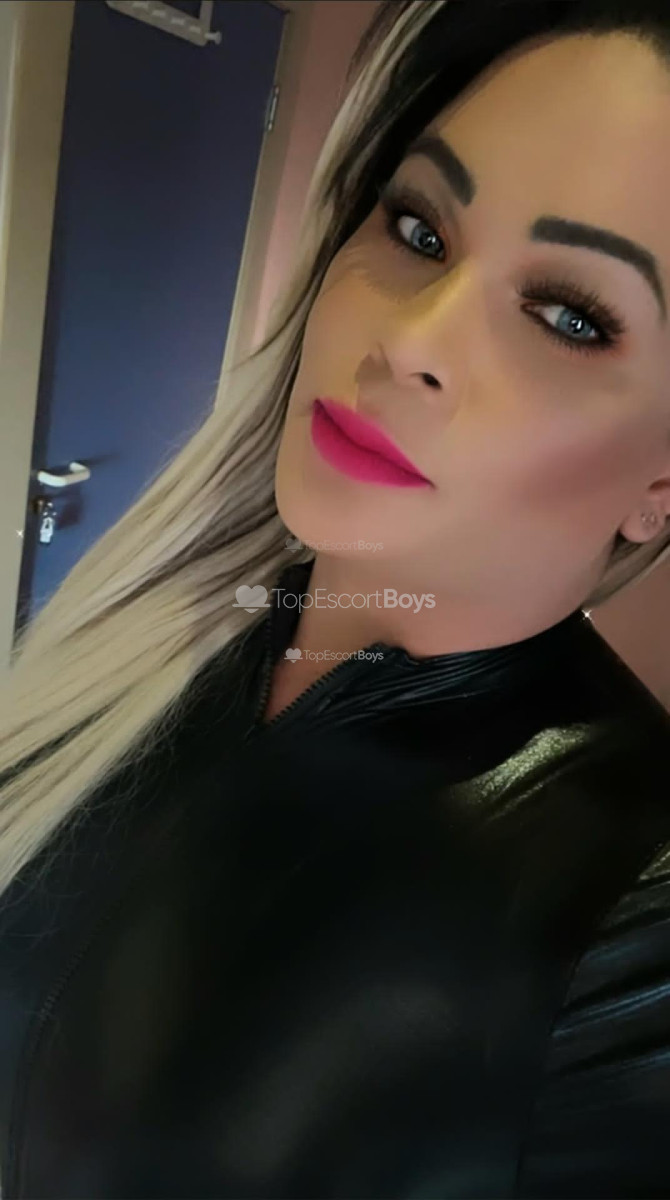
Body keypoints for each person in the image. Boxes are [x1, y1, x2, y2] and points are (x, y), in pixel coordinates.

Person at [2, 0, 670, 1194]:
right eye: (419, 228)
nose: (409, 338)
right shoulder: (155, 626)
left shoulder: (637, 909)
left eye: (570, 317)